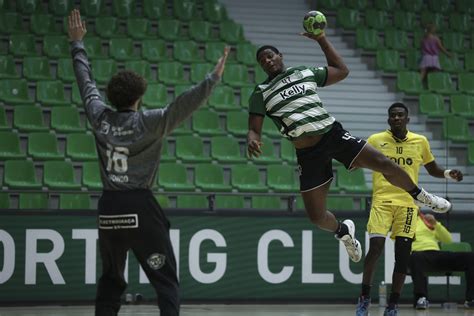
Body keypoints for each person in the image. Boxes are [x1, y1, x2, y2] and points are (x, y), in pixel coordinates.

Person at [68, 9, 229, 316]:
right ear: (139, 96)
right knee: (165, 281)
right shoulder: (150, 122)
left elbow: (85, 81)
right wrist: (213, 78)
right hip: (140, 205)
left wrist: (77, 44)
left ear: (113, 97)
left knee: (111, 279)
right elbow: (185, 103)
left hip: (109, 207)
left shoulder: (99, 117)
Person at [247, 30, 452, 268]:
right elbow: (254, 128)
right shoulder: (260, 93)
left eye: (270, 56)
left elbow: (342, 70)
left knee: (385, 164)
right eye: (262, 61)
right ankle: (344, 232)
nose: (267, 61)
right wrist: (253, 139)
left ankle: (420, 195)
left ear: (280, 56)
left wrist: (321, 39)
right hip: (307, 152)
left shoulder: (304, 72)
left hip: (332, 135)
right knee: (316, 217)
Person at [355, 102, 463, 316]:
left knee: (403, 257)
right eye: (393, 115)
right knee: (375, 249)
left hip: (408, 205)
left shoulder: (419, 141)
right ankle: (364, 298)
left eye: (400, 115)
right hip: (382, 202)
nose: (396, 118)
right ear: (388, 120)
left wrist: (448, 173)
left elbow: (431, 168)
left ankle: (393, 305)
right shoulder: (376, 140)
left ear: (407, 119)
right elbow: (359, 160)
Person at [410, 212, 474, 310]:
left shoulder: (426, 220)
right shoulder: (403, 222)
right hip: (417, 254)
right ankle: (421, 298)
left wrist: (435, 223)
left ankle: (470, 299)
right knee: (415, 257)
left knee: (470, 257)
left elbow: (448, 240)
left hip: (435, 254)